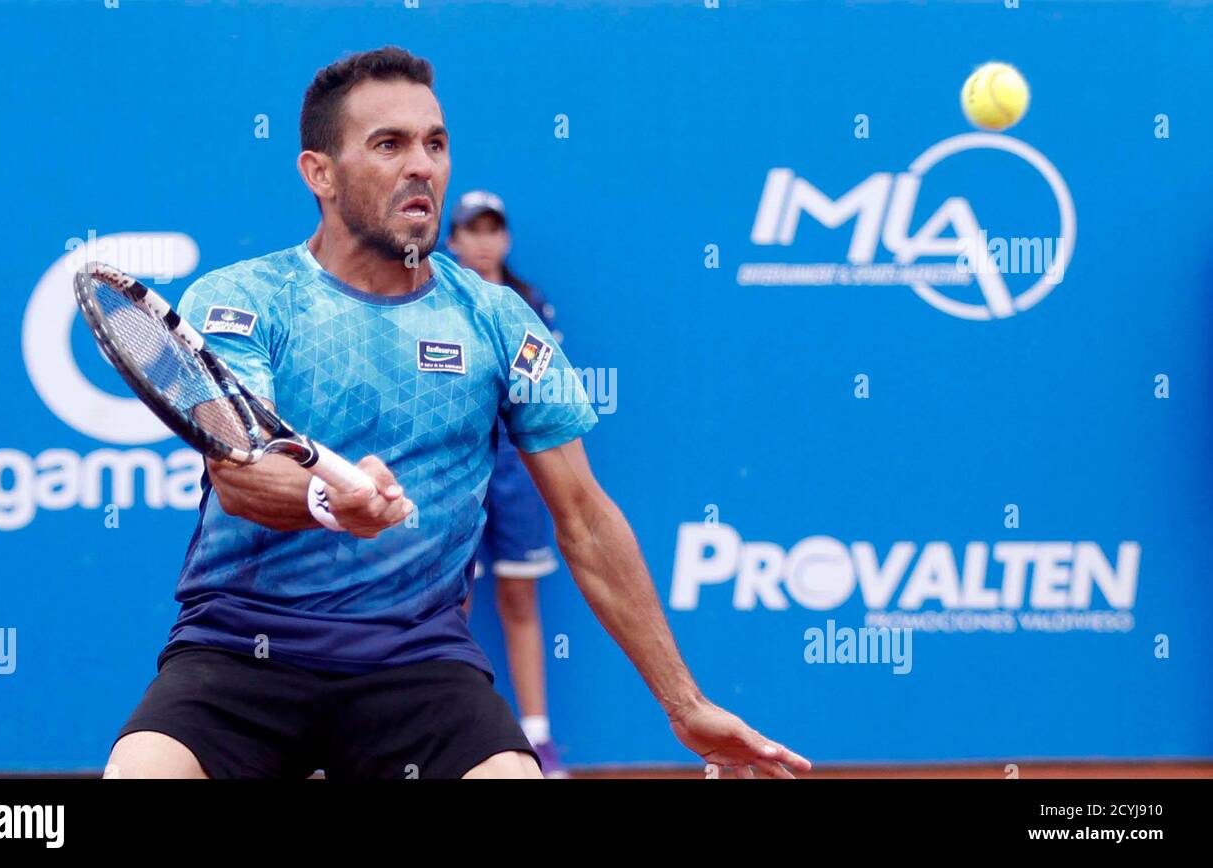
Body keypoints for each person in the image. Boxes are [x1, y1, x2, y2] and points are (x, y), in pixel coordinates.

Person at [105, 45, 810, 780]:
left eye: (435, 144)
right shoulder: (246, 299)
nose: (423, 166)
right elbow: (241, 477)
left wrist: (683, 702)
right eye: (390, 144)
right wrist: (328, 498)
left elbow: (585, 517)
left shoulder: (498, 320)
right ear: (319, 173)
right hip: (240, 651)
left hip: (414, 661)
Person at [447, 191, 568, 776]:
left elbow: (541, 397)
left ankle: (538, 740)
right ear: (453, 241)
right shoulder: (434, 300)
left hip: (518, 475)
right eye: (472, 229)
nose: (484, 239)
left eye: (494, 229)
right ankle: (452, 736)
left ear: (506, 239)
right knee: (452, 605)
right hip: (455, 470)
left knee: (520, 599)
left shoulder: (530, 305)